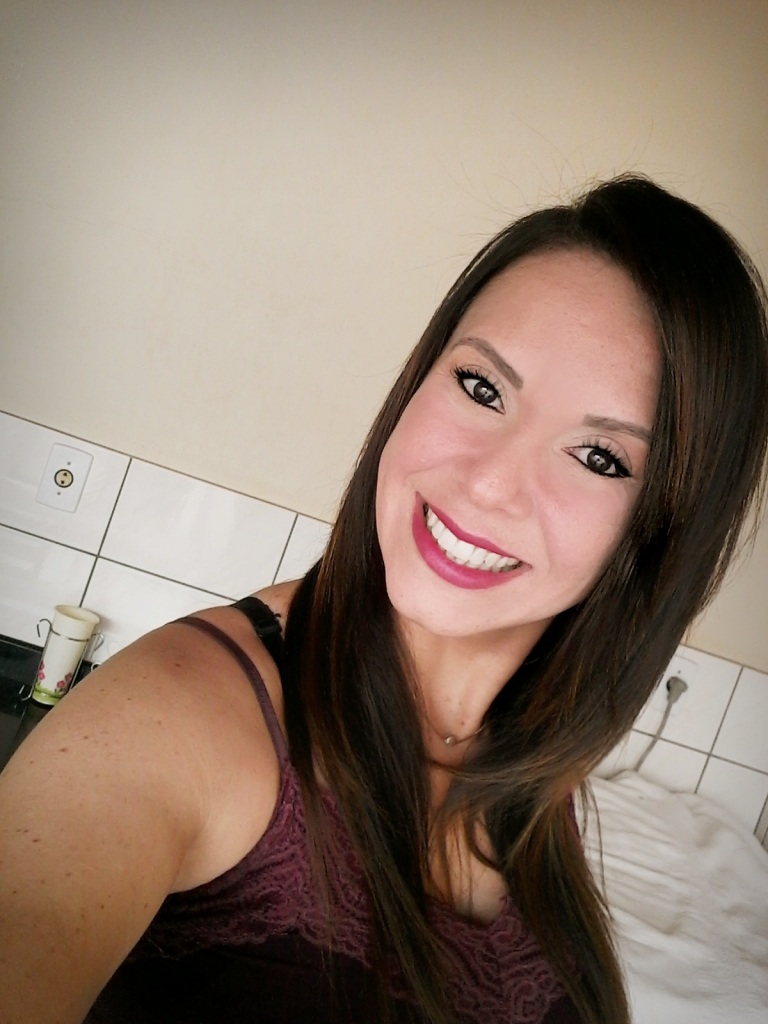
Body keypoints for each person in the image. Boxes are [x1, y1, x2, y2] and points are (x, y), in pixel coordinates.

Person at [1, 175, 767, 1024]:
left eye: (598, 457)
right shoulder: (182, 711)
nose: (489, 482)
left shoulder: (537, 787)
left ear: (656, 539)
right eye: (481, 387)